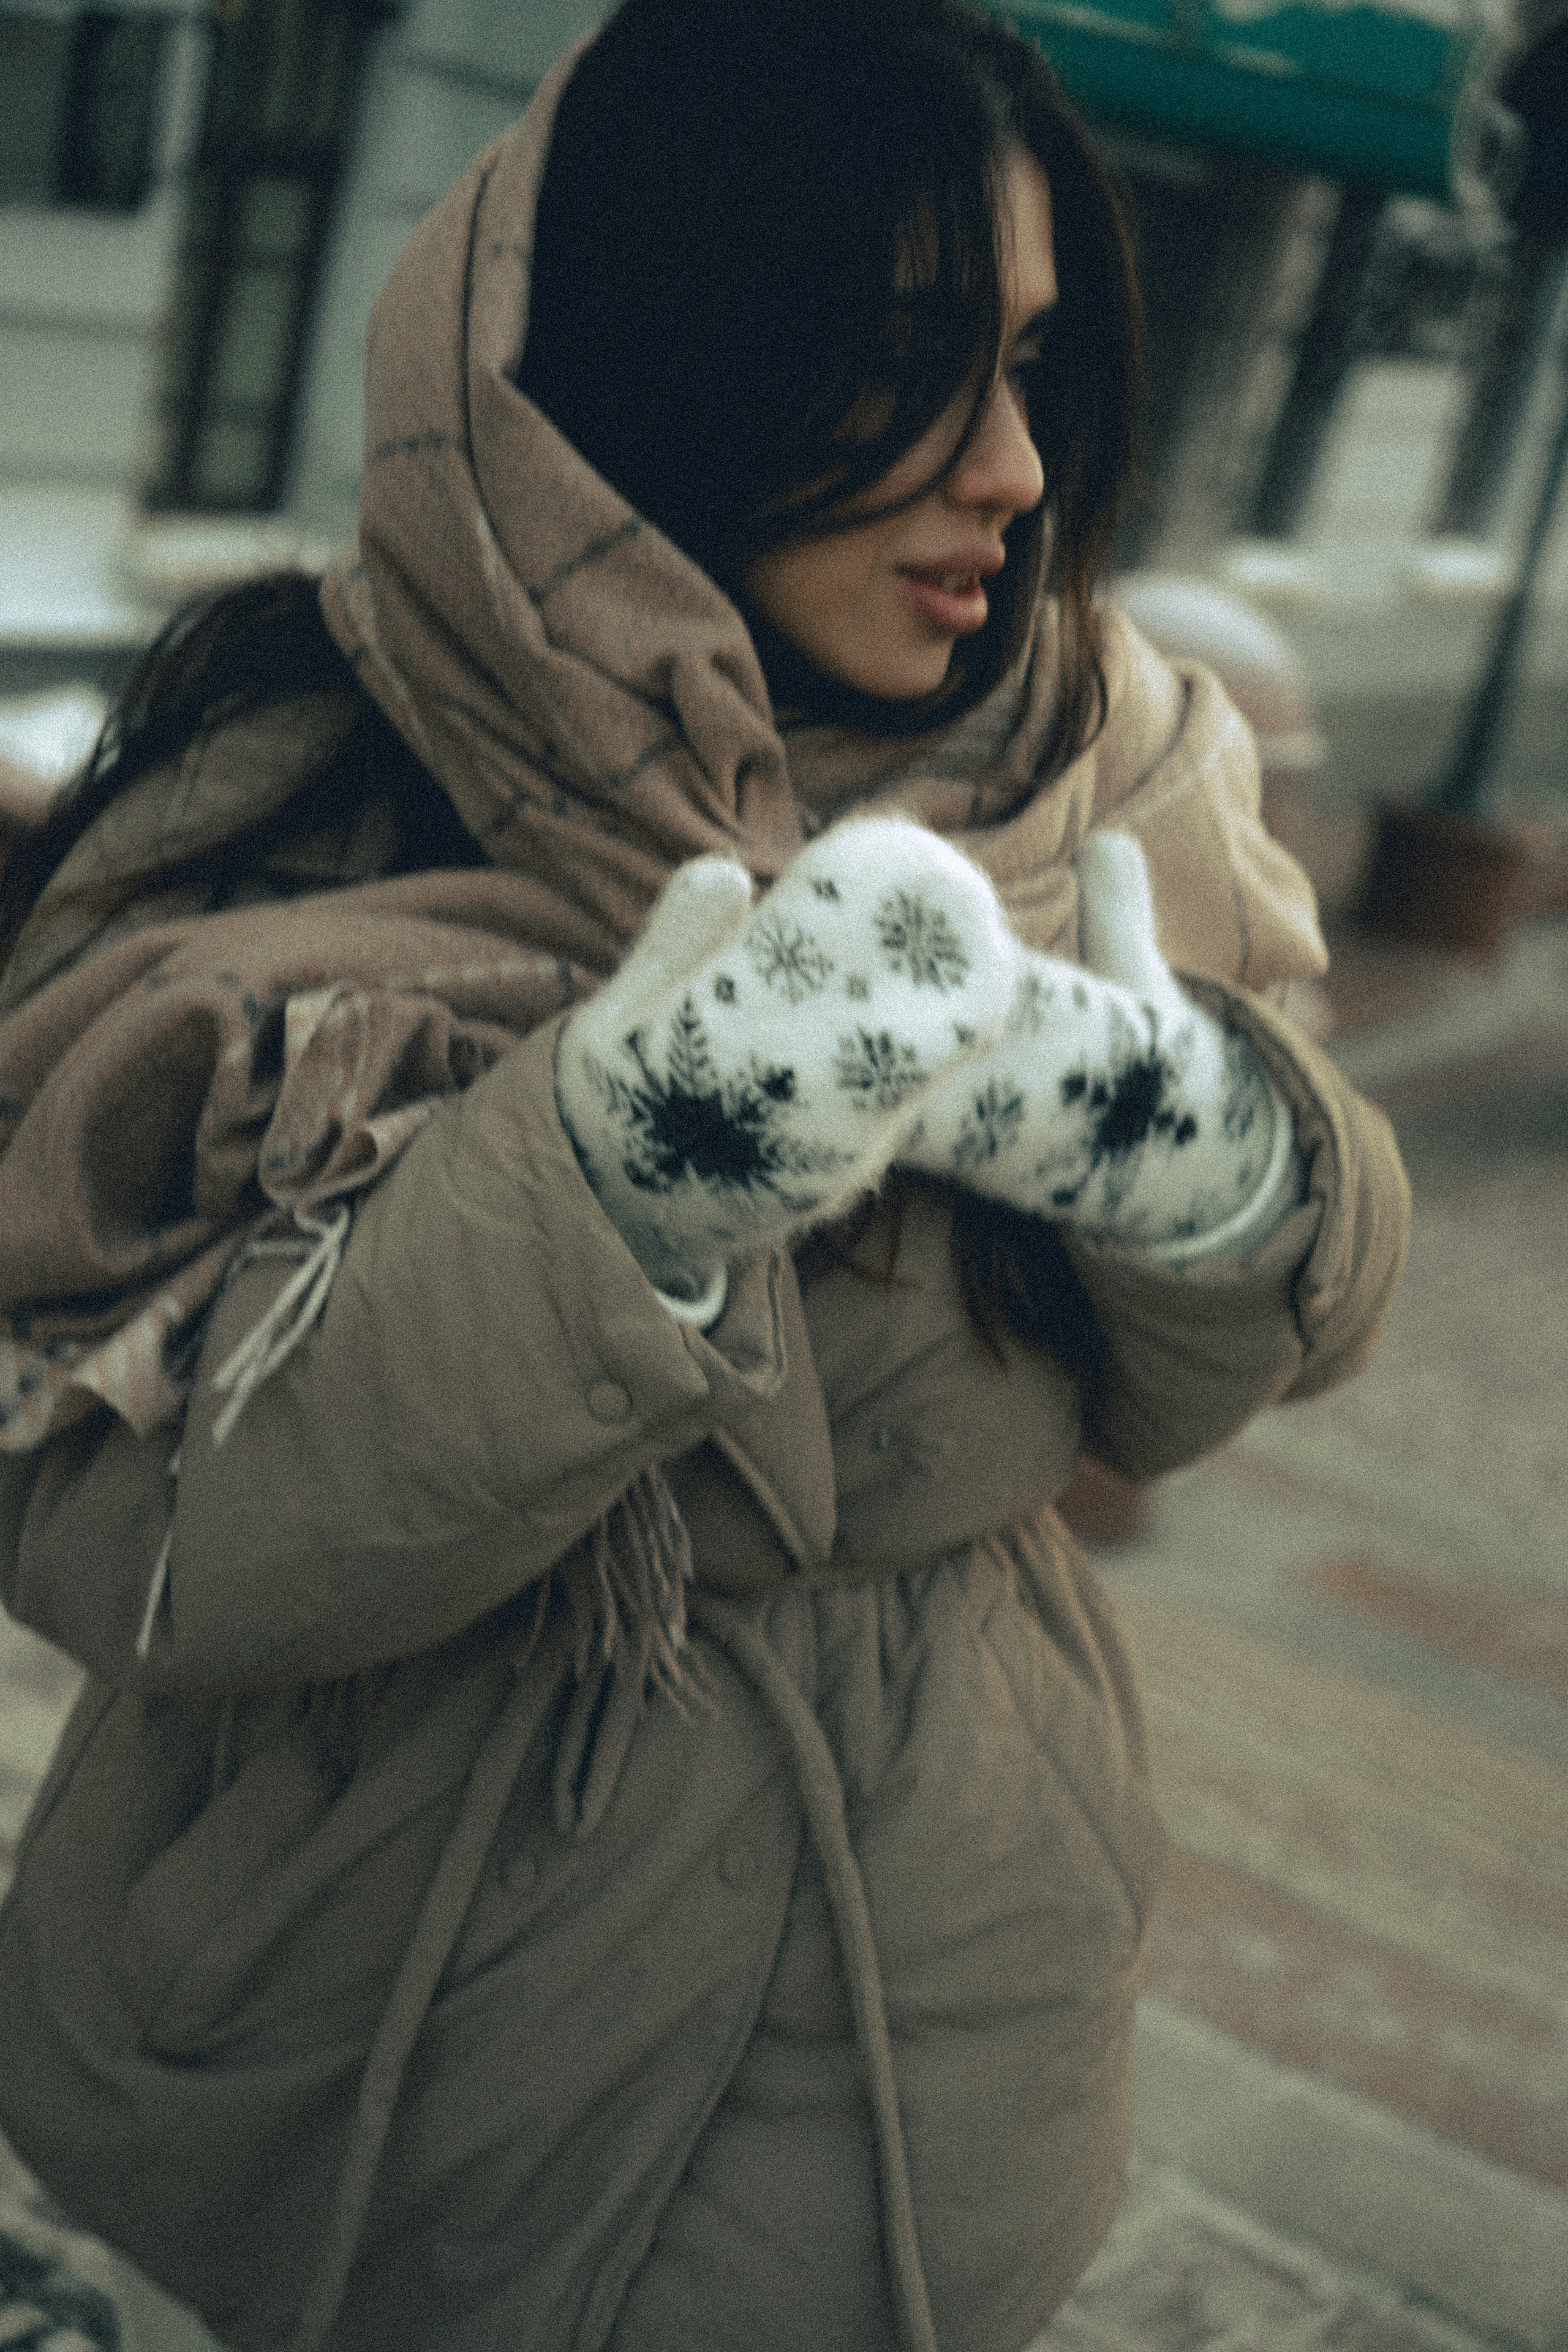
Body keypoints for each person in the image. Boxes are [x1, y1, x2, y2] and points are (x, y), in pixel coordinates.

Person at [0, 2, 1411, 2348]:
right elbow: (111, 1527)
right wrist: (627, 1172)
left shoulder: (1107, 762)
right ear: (670, 340)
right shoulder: (307, 771)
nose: (1012, 474)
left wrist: (1171, 1145)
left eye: (1037, 368)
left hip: (913, 2010)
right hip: (356, 2024)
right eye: (905, 363)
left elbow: (1214, 1383)